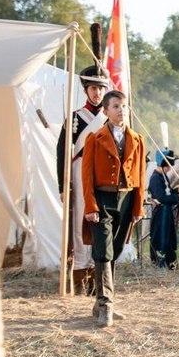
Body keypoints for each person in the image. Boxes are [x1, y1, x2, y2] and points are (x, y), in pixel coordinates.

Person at [81, 90, 146, 327]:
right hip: (102, 200)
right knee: (102, 252)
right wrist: (90, 206)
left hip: (127, 200)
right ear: (106, 111)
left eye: (124, 106)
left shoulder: (137, 139)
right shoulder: (94, 138)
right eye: (116, 106)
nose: (122, 110)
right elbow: (86, 176)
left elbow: (140, 176)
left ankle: (100, 304)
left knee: (115, 250)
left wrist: (138, 207)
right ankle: (106, 305)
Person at [55, 23, 108, 295]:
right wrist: (62, 184)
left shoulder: (110, 118)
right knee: (80, 222)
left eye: (101, 89)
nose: (97, 93)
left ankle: (100, 277)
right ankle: (80, 277)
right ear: (86, 90)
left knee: (101, 221)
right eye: (93, 88)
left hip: (103, 174)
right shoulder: (75, 117)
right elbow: (62, 151)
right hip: (79, 171)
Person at [149, 149, 179, 270]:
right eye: (168, 166)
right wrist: (176, 197)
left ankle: (171, 263)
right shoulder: (155, 178)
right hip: (161, 213)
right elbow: (162, 197)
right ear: (162, 165)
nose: (169, 168)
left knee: (169, 238)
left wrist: (177, 191)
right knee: (161, 238)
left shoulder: (163, 177)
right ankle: (160, 263)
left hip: (167, 212)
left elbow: (168, 192)